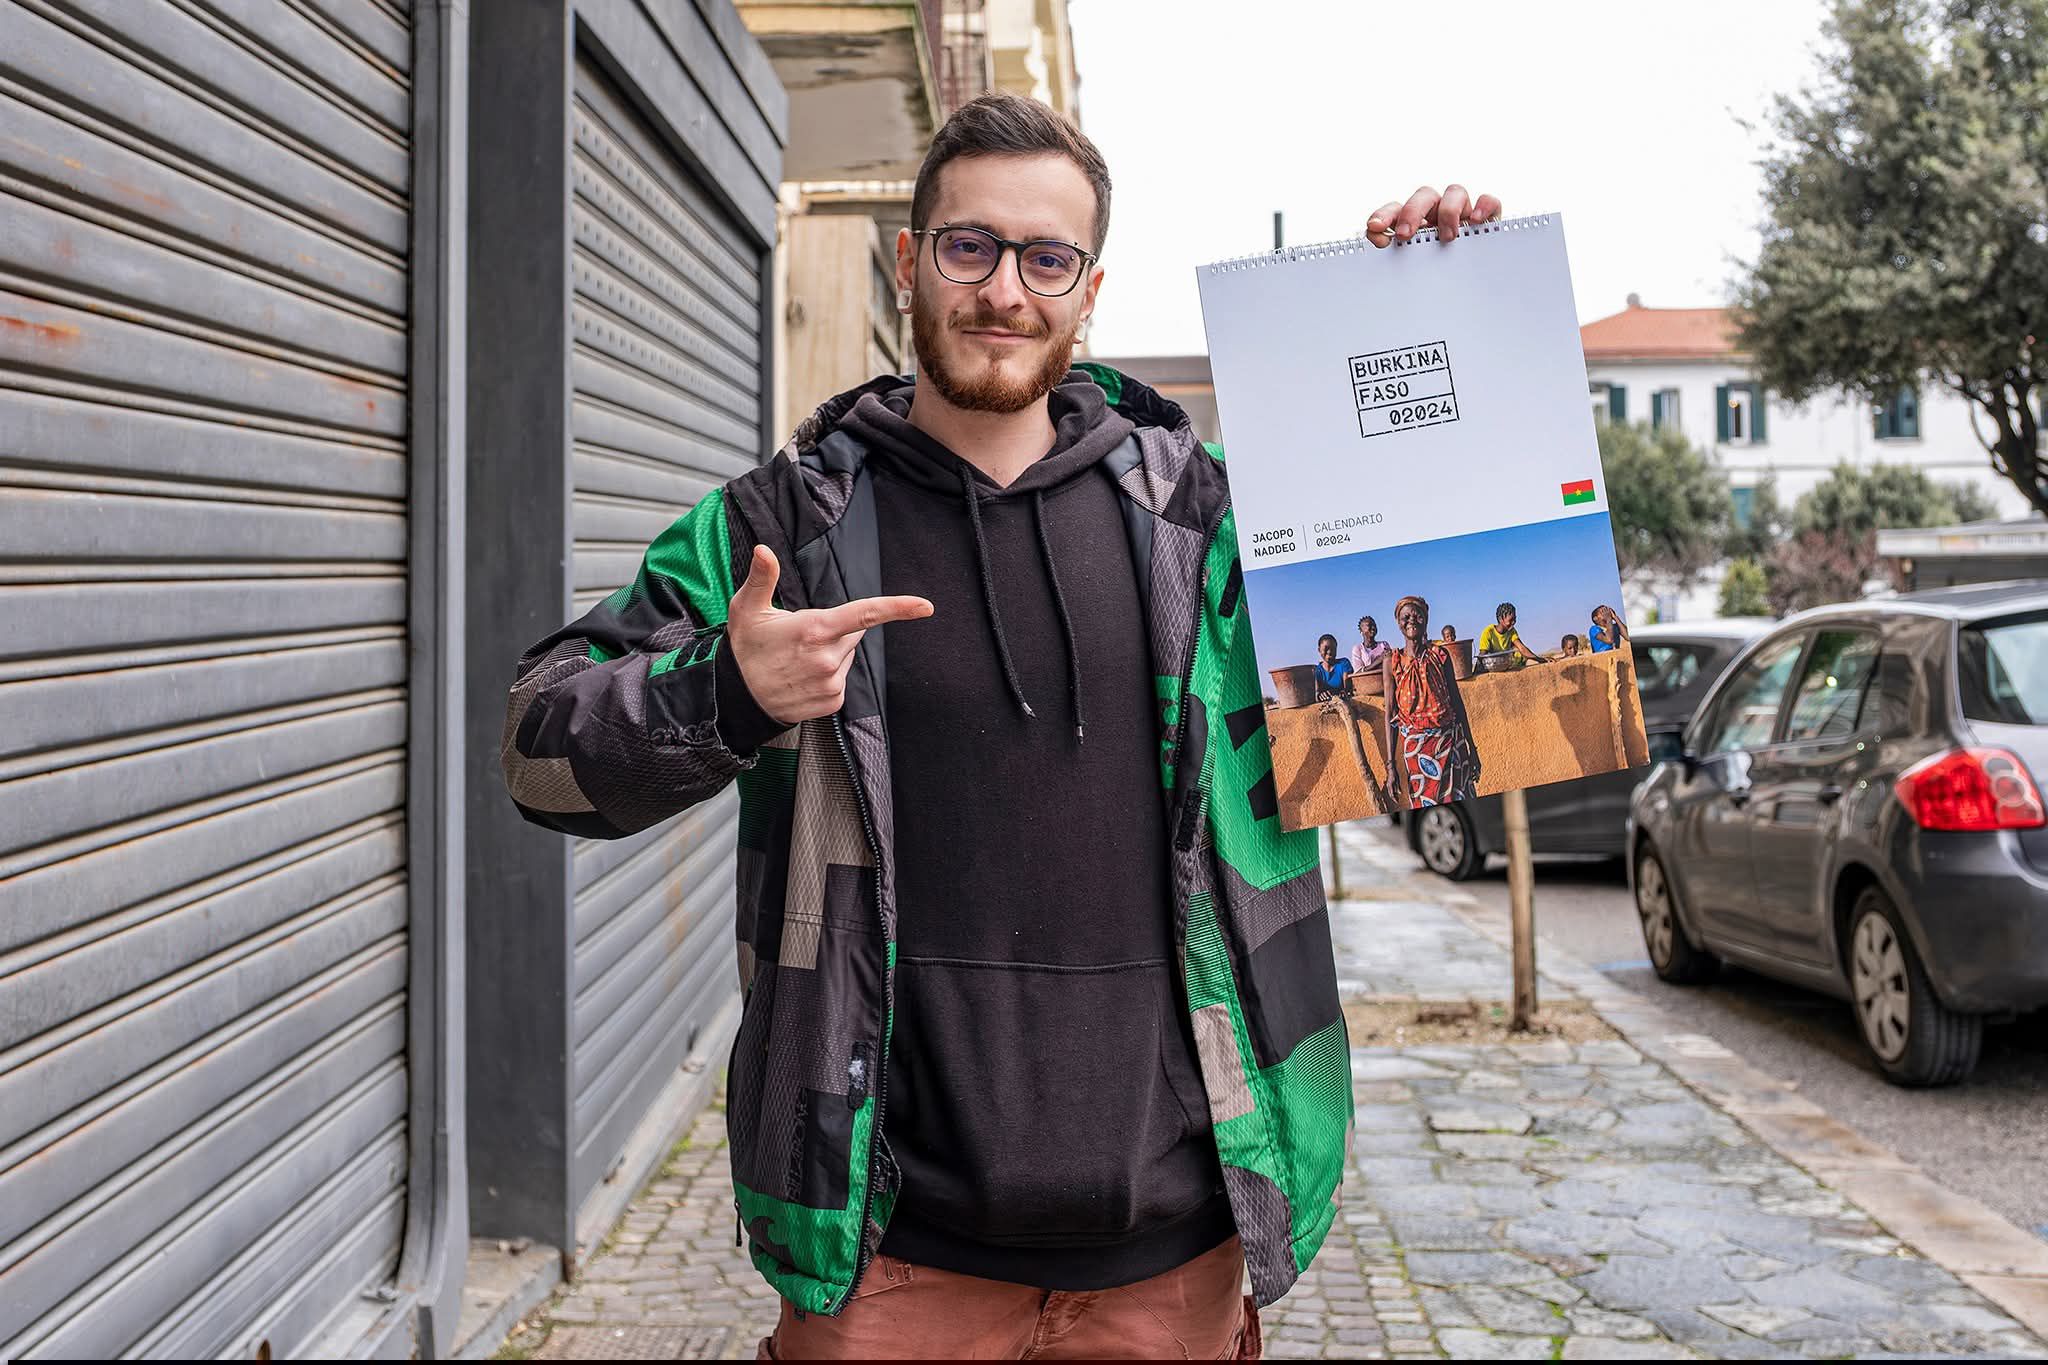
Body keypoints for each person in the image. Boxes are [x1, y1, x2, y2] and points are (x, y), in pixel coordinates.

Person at [500, 90, 1501, 1361]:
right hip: (887, 1261)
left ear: (1089, 291)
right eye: (968, 247)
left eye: (1046, 258)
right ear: (909, 261)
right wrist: (723, 691)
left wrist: (1425, 304)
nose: (1003, 291)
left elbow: (1438, 691)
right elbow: (538, 757)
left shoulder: (1214, 532)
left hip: (1173, 1255)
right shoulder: (779, 535)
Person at [1381, 595, 1482, 808]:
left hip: (1451, 744)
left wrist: (1472, 749)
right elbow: (1390, 714)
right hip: (1417, 753)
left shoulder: (1440, 655)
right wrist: (1390, 767)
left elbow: (1457, 703)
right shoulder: (1392, 662)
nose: (1411, 620)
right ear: (1398, 623)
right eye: (1405, 617)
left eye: (1417, 616)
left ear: (1426, 620)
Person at [1314, 632, 1353, 697]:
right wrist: (1321, 696)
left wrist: (1344, 692)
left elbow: (1347, 688)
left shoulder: (1344, 663)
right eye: (1326, 649)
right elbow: (1317, 694)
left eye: (1333, 649)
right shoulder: (1318, 671)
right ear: (1319, 650)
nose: (1329, 652)